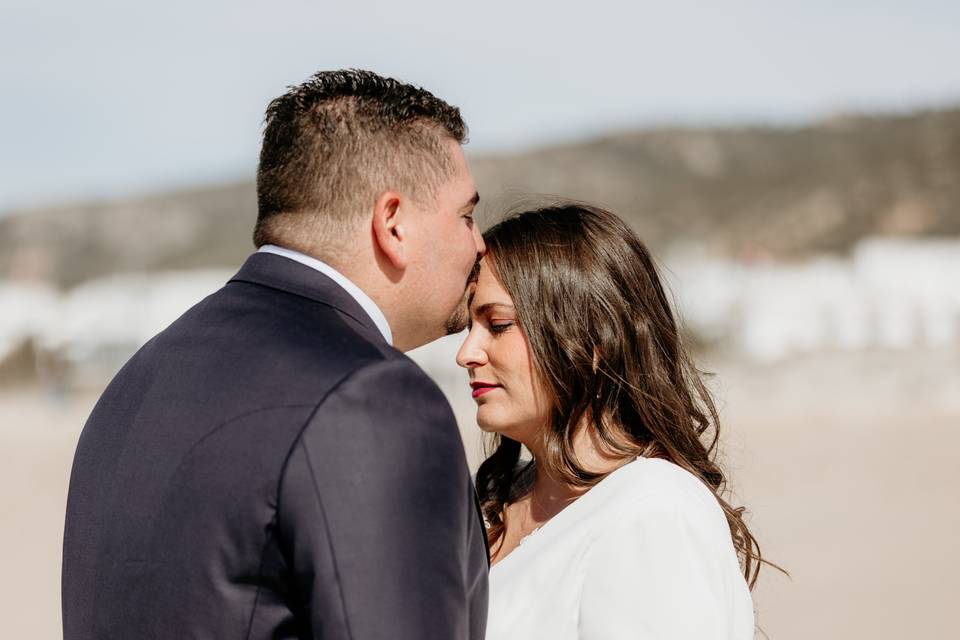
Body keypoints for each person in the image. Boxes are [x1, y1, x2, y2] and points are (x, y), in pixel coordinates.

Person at [62, 70, 489, 640]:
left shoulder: (138, 382)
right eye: (465, 215)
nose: (479, 242)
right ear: (393, 224)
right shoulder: (372, 397)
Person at [457, 203, 761, 639]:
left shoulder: (653, 512)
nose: (467, 353)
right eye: (469, 326)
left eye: (498, 324)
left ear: (593, 339)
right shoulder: (484, 499)